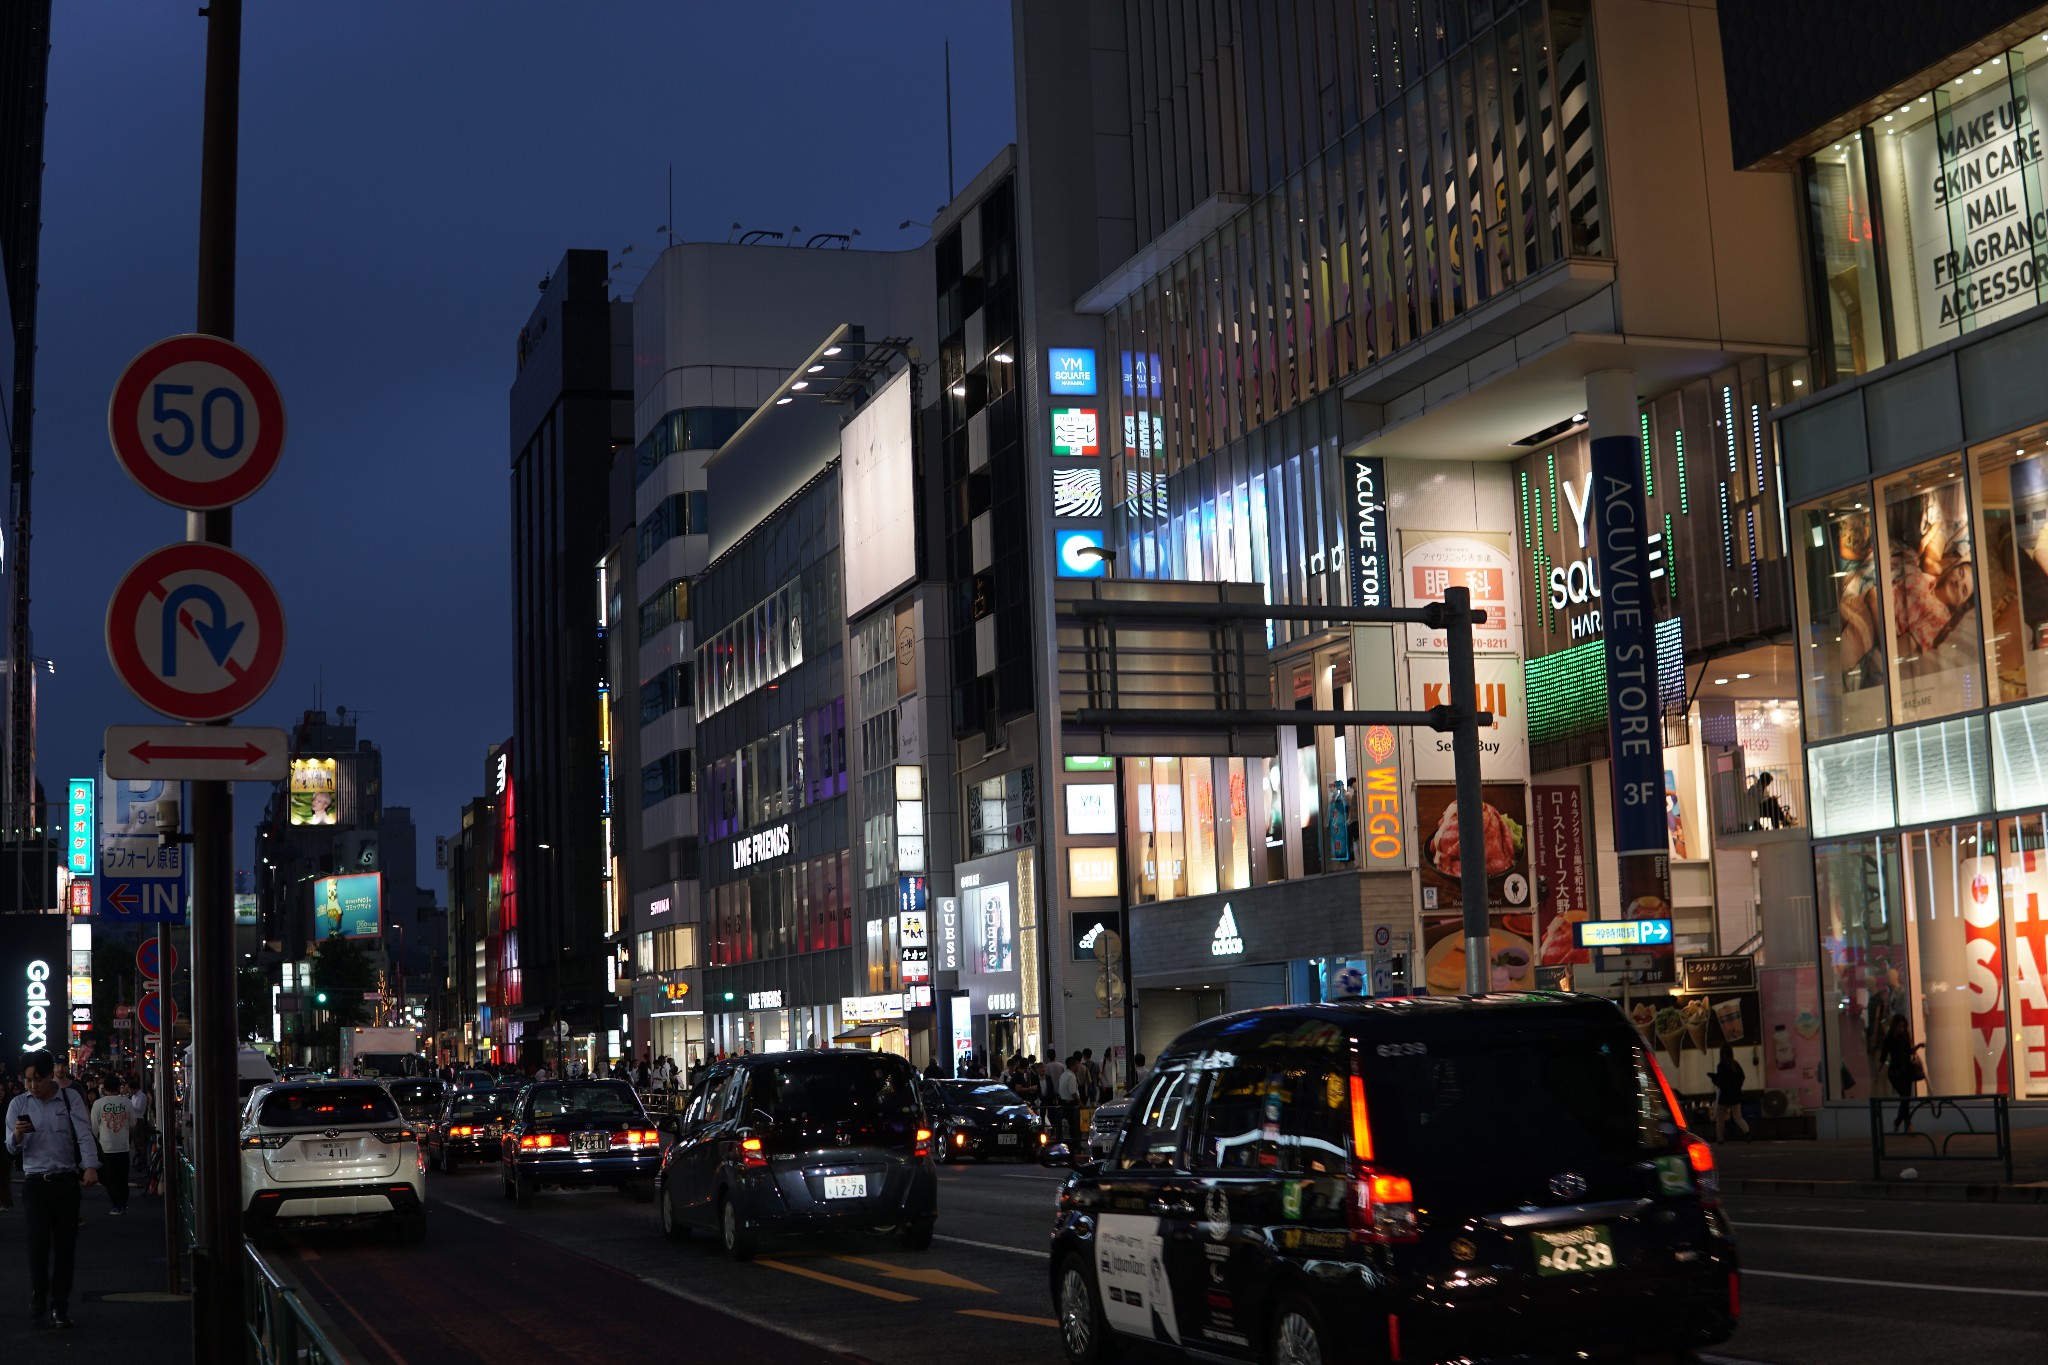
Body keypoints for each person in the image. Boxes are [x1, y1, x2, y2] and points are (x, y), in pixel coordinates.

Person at [4, 1050, 101, 1328]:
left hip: (66, 1181)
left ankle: (60, 1304)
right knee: (37, 1245)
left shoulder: (69, 1100)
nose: (32, 1085)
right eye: (27, 1080)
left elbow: (83, 1134)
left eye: (37, 1079)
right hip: (35, 1183)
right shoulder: (18, 1105)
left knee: (65, 1246)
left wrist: (91, 1165)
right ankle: (39, 1292)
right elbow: (10, 1147)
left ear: (49, 1076)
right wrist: (17, 1135)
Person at [90, 1080, 137, 1214]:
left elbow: (93, 1127)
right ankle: (123, 1203)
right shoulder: (127, 1103)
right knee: (123, 1177)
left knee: (110, 1178)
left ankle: (116, 1204)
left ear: (104, 1089)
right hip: (123, 1146)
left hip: (105, 1146)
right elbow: (133, 1122)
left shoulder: (98, 1104)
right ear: (118, 1088)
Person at [1881, 1015, 1926, 1134]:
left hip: (1906, 1071)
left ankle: (1903, 1123)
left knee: (1905, 1098)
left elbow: (1908, 1052)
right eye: (1900, 1026)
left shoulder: (1904, 1037)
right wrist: (1878, 1072)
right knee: (1905, 1097)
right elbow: (1884, 1056)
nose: (1901, 1029)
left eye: (1903, 1027)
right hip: (1896, 1072)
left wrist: (1917, 1046)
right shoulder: (1889, 1039)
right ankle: (1906, 1124)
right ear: (1895, 1026)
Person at [1710, 1045, 1750, 1144]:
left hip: (1724, 1096)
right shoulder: (1735, 1064)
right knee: (1738, 1117)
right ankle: (1747, 1133)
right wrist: (1737, 1088)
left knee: (1720, 1118)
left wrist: (1713, 1078)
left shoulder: (1721, 1065)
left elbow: (1720, 1081)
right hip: (1735, 1095)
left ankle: (1720, 1139)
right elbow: (1742, 1077)